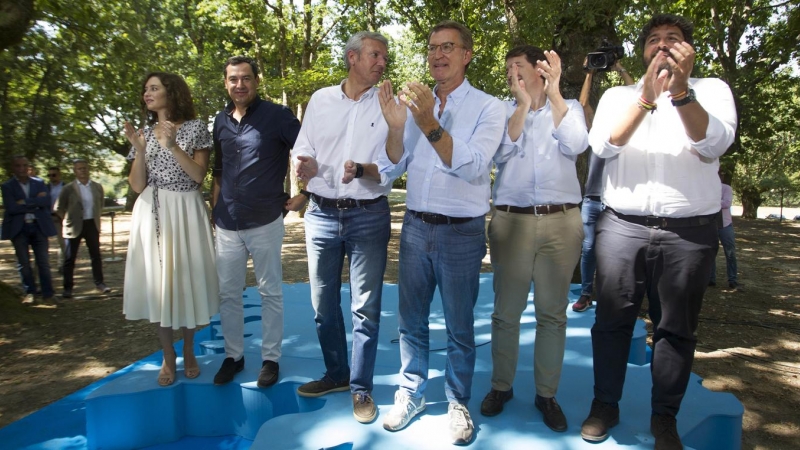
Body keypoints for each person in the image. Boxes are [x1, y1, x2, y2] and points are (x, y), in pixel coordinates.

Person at [579, 14, 737, 449]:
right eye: (654, 39)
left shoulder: (712, 91)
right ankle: (604, 405)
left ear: (689, 50)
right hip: (622, 228)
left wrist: (681, 92)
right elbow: (605, 145)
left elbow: (713, 145)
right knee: (610, 323)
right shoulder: (617, 95)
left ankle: (664, 418)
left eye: (673, 39)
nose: (662, 45)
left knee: (676, 330)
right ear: (643, 50)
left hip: (690, 234)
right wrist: (647, 97)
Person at [378, 20, 505, 445]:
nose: (437, 55)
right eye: (432, 47)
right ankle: (410, 393)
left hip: (461, 234)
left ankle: (457, 402)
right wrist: (398, 126)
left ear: (467, 55)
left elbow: (470, 165)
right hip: (415, 227)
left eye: (448, 47)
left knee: (459, 326)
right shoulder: (413, 104)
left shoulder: (489, 107)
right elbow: (392, 166)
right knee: (410, 321)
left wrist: (428, 121)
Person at [286, 31, 394, 424]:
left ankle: (360, 388)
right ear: (352, 57)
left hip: (369, 214)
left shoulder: (389, 105)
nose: (382, 62)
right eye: (375, 55)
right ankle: (336, 373)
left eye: (384, 56)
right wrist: (306, 164)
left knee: (365, 307)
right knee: (322, 306)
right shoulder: (320, 100)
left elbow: (393, 166)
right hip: (320, 215)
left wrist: (364, 169)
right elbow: (305, 146)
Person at [479, 45, 588, 432]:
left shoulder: (569, 107)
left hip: (561, 222)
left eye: (519, 67)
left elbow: (576, 145)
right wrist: (522, 107)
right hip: (512, 222)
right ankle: (501, 387)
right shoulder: (502, 111)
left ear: (541, 71)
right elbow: (498, 154)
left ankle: (546, 394)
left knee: (552, 313)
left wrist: (555, 94)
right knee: (506, 312)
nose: (512, 74)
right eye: (508, 68)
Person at [122, 72, 220, 386]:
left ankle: (188, 349)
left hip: (186, 208)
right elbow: (137, 185)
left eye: (154, 88)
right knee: (159, 286)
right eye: (145, 89)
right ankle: (167, 355)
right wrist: (139, 149)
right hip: (151, 210)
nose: (146, 94)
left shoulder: (194, 128)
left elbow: (198, 177)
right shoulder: (144, 133)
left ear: (171, 92)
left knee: (186, 282)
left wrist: (173, 145)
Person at [211, 56, 301, 388]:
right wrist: (214, 208)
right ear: (226, 83)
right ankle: (233, 357)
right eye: (233, 79)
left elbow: (309, 150)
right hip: (226, 223)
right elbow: (218, 172)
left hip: (265, 219)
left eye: (246, 78)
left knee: (270, 292)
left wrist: (304, 193)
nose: (239, 84)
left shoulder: (278, 116)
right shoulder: (219, 121)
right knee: (228, 294)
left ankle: (270, 360)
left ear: (256, 80)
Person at [573, 61, 634, 313]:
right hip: (592, 199)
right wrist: (589, 73)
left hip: (616, 201)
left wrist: (620, 69)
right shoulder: (594, 131)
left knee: (615, 253)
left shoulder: (628, 128)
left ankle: (613, 297)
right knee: (588, 249)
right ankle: (586, 293)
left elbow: (638, 96)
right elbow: (582, 106)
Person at [1, 156, 57, 304]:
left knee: (43, 262)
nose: (22, 169)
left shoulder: (39, 183)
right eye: (18, 166)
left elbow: (46, 201)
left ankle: (48, 294)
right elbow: (12, 208)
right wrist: (35, 202)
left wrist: (25, 202)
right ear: (14, 168)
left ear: (28, 167)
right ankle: (30, 292)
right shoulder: (7, 186)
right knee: (24, 263)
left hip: (39, 226)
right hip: (19, 228)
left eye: (25, 165)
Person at [56, 159, 110, 298]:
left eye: (85, 168)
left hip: (92, 223)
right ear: (75, 171)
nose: (82, 170)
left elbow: (101, 204)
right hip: (74, 226)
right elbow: (59, 207)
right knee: (70, 258)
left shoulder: (97, 187)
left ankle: (100, 283)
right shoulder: (68, 188)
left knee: (96, 255)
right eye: (79, 168)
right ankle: (68, 288)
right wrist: (67, 221)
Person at [710, 178, 739, 289]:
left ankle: (732, 279)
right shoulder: (707, 189)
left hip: (725, 225)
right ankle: (711, 279)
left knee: (730, 253)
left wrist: (711, 202)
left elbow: (726, 203)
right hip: (711, 225)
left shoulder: (726, 188)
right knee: (711, 253)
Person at [45, 166, 65, 273]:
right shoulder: (45, 187)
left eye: (54, 175)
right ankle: (44, 267)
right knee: (44, 244)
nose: (52, 177)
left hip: (61, 217)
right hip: (48, 217)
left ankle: (62, 265)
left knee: (62, 243)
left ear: (59, 174)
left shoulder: (65, 187)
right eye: (49, 175)